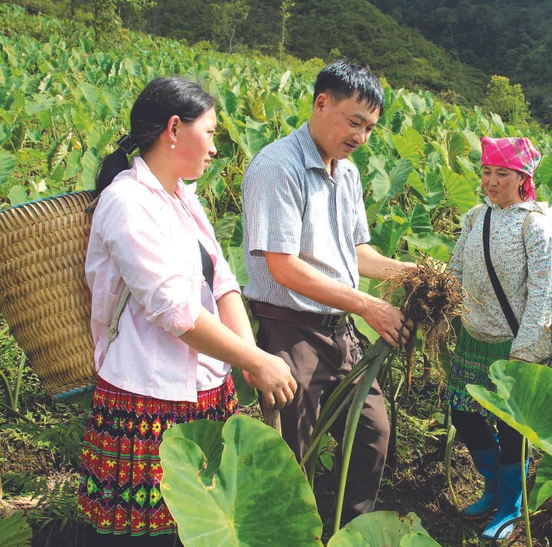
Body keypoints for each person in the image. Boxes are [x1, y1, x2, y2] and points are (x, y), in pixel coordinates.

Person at [77, 77, 296, 546]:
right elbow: (173, 310)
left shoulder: (183, 196)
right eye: (212, 132)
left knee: (200, 529)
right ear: (174, 129)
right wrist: (255, 361)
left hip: (208, 390)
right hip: (145, 400)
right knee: (144, 537)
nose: (215, 148)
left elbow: (221, 281)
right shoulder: (126, 202)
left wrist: (247, 358)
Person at [241, 60, 414, 524]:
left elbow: (357, 253)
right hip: (291, 328)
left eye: (371, 128)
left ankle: (348, 531)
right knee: (291, 449)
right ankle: (285, 533)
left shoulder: (348, 174)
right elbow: (285, 268)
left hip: (340, 331)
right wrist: (367, 305)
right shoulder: (279, 166)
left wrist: (415, 273)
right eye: (354, 121)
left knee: (372, 433)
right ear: (321, 104)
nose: (361, 136)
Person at [447, 136, 552, 541]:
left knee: (512, 427)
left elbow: (544, 293)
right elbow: (457, 267)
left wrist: (525, 352)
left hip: (515, 344)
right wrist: (443, 308)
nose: (491, 181)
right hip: (472, 338)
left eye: (501, 174)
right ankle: (494, 485)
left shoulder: (537, 227)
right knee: (464, 414)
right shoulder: (476, 216)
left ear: (522, 179)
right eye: (486, 172)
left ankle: (511, 508)